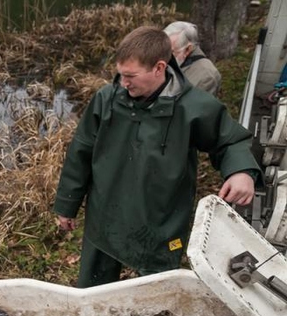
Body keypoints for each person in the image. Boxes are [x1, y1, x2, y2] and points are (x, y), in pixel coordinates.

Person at [53, 26, 260, 288]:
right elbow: (80, 151)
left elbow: (230, 140)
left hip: (160, 218)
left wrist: (241, 171)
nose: (123, 82)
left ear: (159, 68)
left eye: (131, 76)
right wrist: (66, 205)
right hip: (106, 213)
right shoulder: (106, 99)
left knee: (156, 292)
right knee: (92, 286)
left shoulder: (193, 107)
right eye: (120, 74)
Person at [164, 21, 222, 96]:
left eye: (170, 52)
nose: (163, 57)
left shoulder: (207, 77)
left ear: (188, 49)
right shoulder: (178, 61)